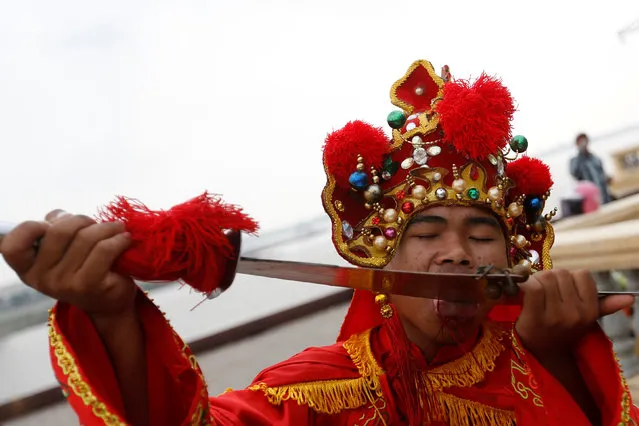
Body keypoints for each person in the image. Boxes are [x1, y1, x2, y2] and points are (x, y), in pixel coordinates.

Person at [1, 59, 638, 426]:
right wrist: (113, 315)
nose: (459, 254)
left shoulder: (534, 358)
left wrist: (558, 356)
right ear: (378, 255)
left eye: (481, 233)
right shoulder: (317, 392)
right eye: (427, 231)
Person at [570, 133, 613, 204]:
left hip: (605, 198)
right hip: (589, 201)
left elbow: (603, 175)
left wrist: (607, 178)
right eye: (581, 142)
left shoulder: (596, 158)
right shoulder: (574, 161)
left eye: (585, 140)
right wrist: (581, 154)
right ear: (577, 144)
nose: (583, 143)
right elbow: (575, 174)